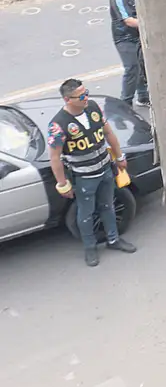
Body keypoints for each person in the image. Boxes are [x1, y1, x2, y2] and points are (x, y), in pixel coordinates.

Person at [46, 79, 138, 267]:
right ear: (67, 99)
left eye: (86, 93)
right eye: (81, 96)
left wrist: (119, 156)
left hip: (105, 170)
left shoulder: (93, 108)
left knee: (108, 206)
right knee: (86, 214)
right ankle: (90, 247)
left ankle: (113, 240)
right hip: (84, 177)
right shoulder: (58, 124)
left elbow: (108, 133)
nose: (86, 98)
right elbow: (54, 157)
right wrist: (62, 183)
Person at [109, 0, 150, 108]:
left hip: (138, 35)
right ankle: (125, 102)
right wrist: (151, 25)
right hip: (125, 38)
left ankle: (143, 96)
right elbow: (128, 20)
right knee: (132, 67)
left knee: (141, 65)